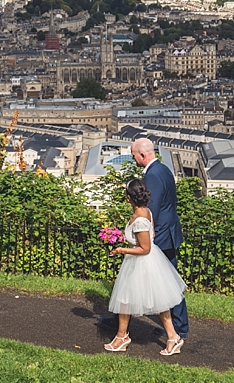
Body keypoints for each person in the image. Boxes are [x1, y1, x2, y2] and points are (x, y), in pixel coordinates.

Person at [97, 137, 190, 342]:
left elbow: (149, 209)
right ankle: (124, 321)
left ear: (142, 154)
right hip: (169, 232)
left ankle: (177, 328)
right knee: (168, 281)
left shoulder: (153, 176)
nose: (132, 158)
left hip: (161, 236)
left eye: (133, 155)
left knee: (164, 283)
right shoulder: (163, 169)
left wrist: (140, 235)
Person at [103, 179, 186, 355]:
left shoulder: (139, 218)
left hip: (141, 263)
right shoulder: (145, 211)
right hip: (144, 262)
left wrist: (121, 249)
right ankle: (170, 337)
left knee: (129, 299)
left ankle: (123, 337)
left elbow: (145, 248)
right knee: (144, 301)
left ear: (128, 198)